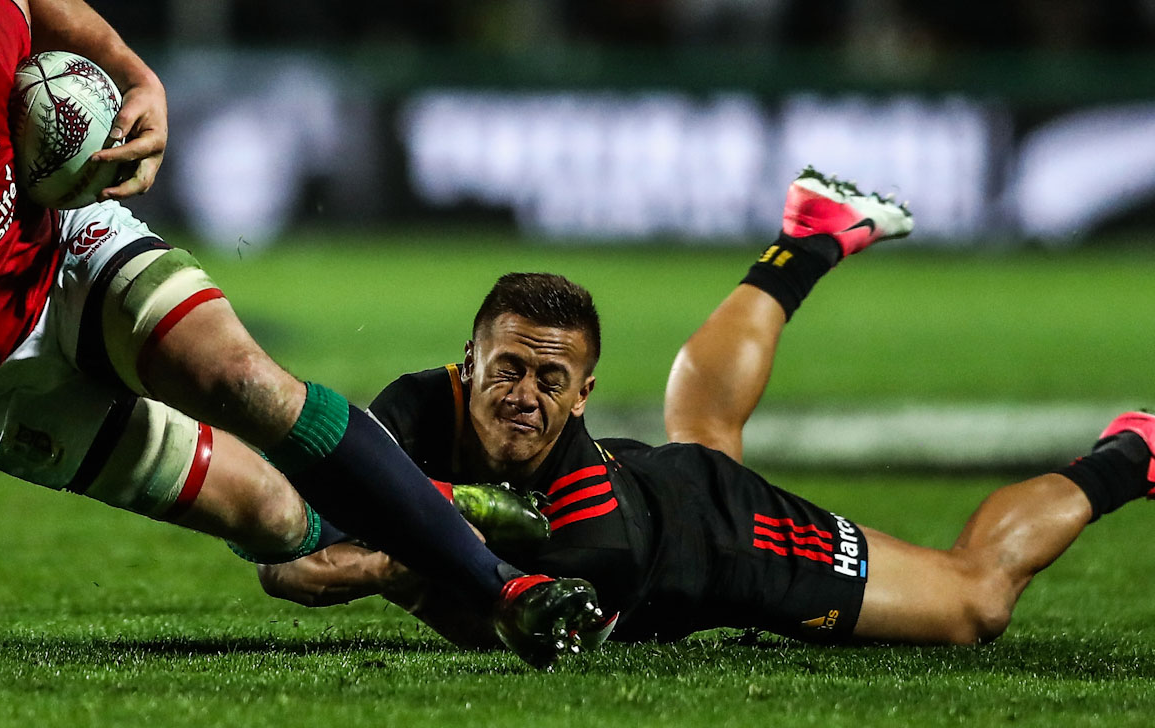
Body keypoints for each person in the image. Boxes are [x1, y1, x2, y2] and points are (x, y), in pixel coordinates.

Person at [0, 0, 601, 676]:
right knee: (277, 521)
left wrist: (135, 74)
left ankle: (506, 588)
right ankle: (432, 511)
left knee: (246, 383)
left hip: (69, 256)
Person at [257, 169, 1155, 648]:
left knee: (975, 602)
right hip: (650, 479)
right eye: (506, 369)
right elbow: (307, 554)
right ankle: (804, 241)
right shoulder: (416, 406)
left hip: (718, 537)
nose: (523, 396)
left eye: (551, 381)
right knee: (706, 435)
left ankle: (1131, 453)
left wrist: (387, 558)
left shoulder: (590, 537)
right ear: (466, 361)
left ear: (583, 398)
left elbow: (409, 585)